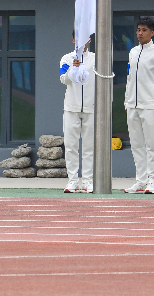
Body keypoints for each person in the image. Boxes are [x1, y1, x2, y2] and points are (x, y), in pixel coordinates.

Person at [123, 17, 154, 195]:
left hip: (150, 105)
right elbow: (128, 78)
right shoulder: (133, 52)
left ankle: (153, 182)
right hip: (132, 105)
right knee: (136, 145)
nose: (140, 33)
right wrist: (127, 102)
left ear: (152, 32)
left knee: (152, 145)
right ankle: (140, 182)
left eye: (144, 30)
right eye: (138, 29)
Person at [59, 33, 95, 193]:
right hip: (71, 108)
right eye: (78, 40)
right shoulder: (66, 58)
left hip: (91, 108)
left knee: (89, 147)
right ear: (73, 40)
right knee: (71, 146)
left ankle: (87, 181)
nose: (82, 43)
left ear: (89, 41)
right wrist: (73, 68)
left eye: (85, 40)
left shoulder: (96, 58)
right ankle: (72, 181)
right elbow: (63, 80)